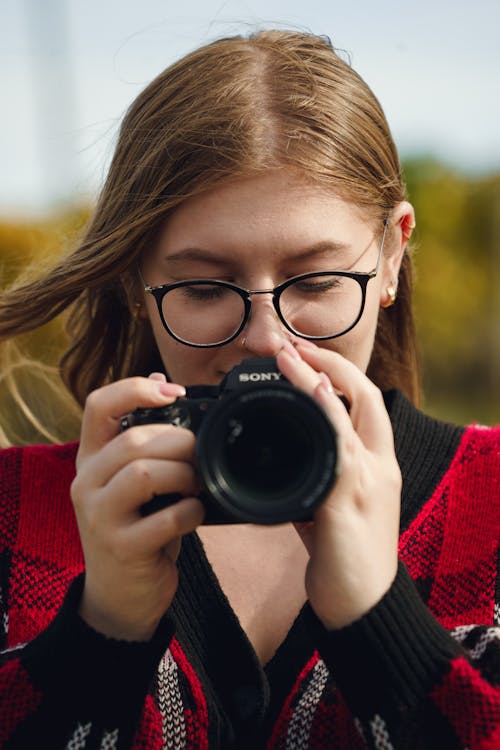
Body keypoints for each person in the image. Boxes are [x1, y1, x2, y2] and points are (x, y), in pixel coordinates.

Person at [0, 29, 498, 750]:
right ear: (136, 284)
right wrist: (99, 637)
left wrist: (379, 622)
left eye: (319, 281)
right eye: (204, 287)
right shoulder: (12, 514)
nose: (265, 337)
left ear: (392, 256)